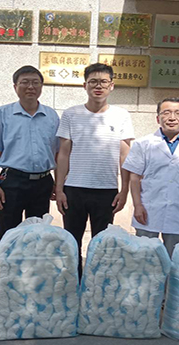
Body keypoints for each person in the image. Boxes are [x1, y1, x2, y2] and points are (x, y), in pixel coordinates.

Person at [55, 63, 134, 277]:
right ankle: (74, 284)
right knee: (72, 241)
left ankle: (97, 285)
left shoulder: (121, 115)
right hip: (74, 189)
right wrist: (59, 189)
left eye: (103, 82)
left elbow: (125, 156)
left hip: (106, 190)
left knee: (102, 243)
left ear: (111, 86)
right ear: (85, 85)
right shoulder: (71, 114)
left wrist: (124, 190)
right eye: (93, 82)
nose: (98, 86)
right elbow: (63, 154)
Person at [122, 97, 179, 258]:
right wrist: (137, 205)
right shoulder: (143, 144)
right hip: (148, 208)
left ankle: (170, 276)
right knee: (145, 256)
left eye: (178, 113)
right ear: (158, 118)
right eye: (166, 113)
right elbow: (135, 177)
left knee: (174, 256)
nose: (172, 118)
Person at [0, 66, 60, 240]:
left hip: (43, 182)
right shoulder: (2, 114)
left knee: (38, 234)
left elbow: (57, 153)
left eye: (35, 83)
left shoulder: (51, 116)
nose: (30, 87)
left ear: (41, 86)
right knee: (9, 232)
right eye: (25, 82)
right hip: (12, 181)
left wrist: (58, 184)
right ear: (15, 87)